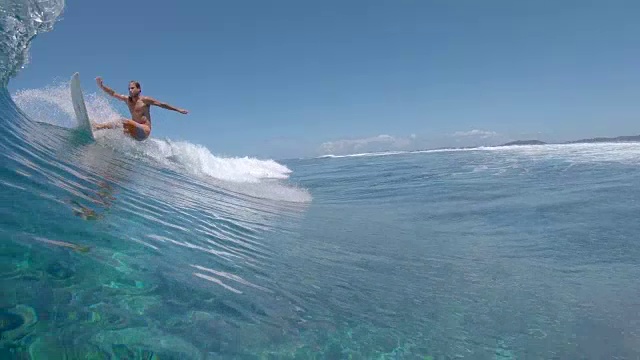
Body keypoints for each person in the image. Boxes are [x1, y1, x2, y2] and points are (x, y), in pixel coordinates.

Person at [93, 77, 188, 141]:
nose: (130, 90)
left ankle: (97, 126)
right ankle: (97, 134)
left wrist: (178, 109)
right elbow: (113, 93)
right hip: (134, 131)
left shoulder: (145, 100)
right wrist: (102, 86)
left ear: (139, 89)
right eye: (129, 88)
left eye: (132, 88)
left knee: (123, 121)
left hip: (144, 131)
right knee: (117, 129)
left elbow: (161, 104)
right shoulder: (127, 100)